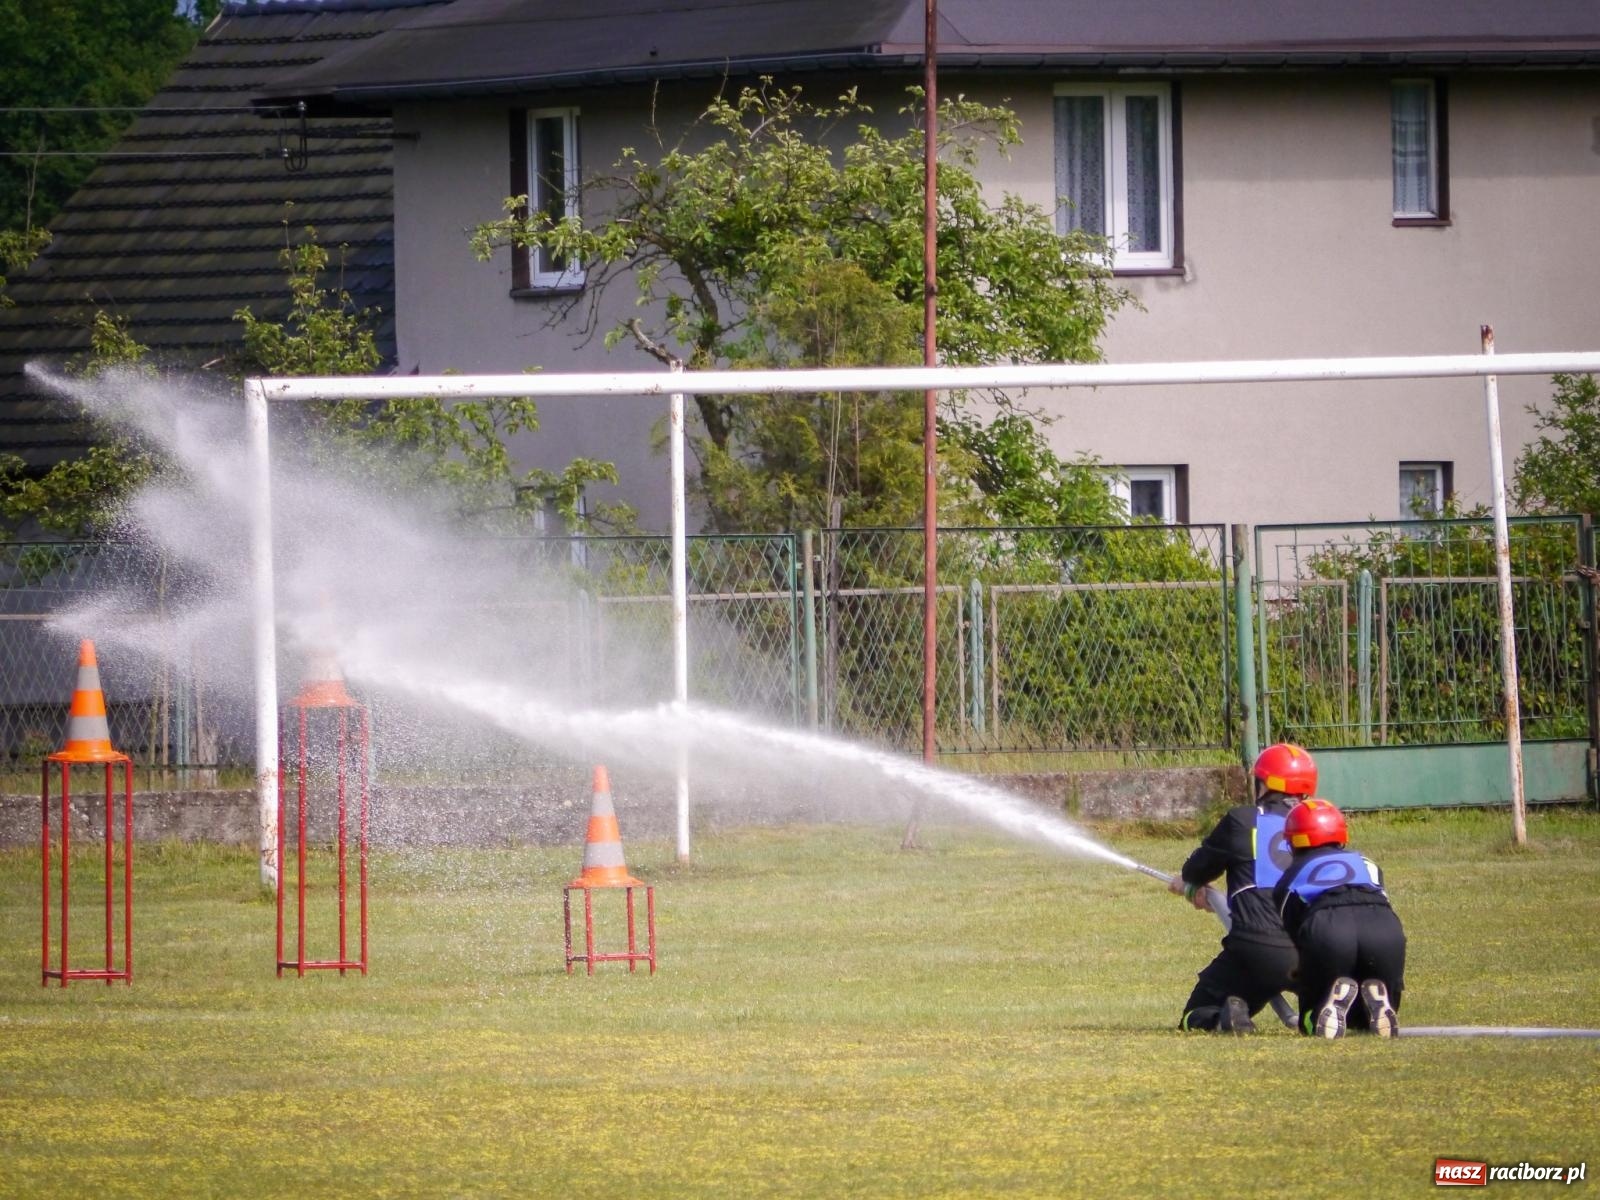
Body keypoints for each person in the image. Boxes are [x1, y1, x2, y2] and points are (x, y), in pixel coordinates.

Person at [1169, 742, 1315, 1034]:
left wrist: (1191, 884)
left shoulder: (1242, 821)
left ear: (1263, 784)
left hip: (1258, 951)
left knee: (1194, 1013)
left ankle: (1225, 1018)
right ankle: (1321, 1016)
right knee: (1322, 1012)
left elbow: (1195, 870)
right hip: (1315, 949)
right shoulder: (1321, 826)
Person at [1272, 797, 1405, 1039]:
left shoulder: (1291, 876)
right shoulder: (1367, 863)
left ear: (1294, 840)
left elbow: (1295, 936)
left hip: (1329, 926)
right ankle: (1376, 1004)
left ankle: (1323, 1010)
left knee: (1312, 1018)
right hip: (1383, 927)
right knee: (1370, 1020)